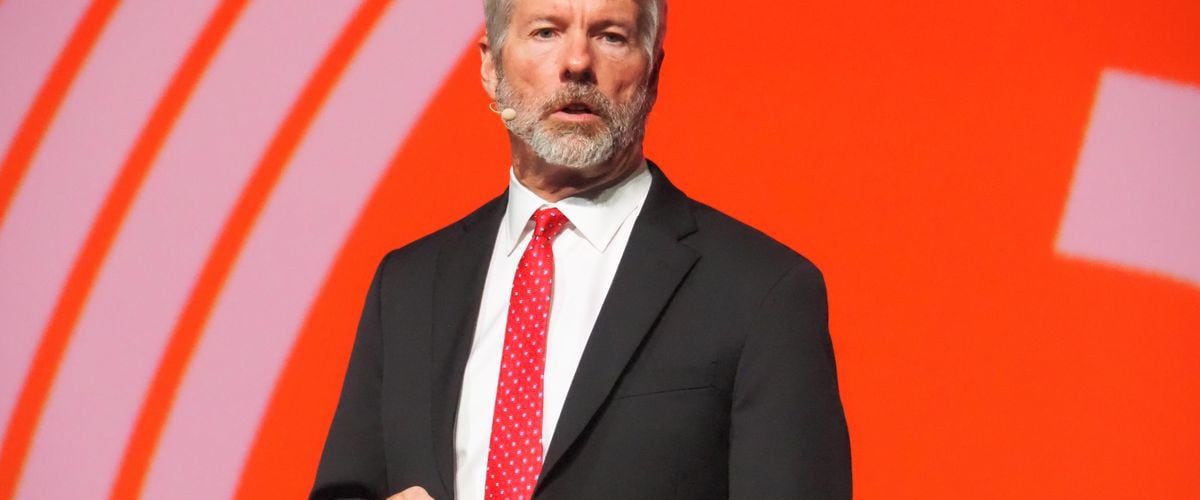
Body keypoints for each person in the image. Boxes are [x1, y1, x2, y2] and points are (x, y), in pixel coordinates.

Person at [310, 0, 851, 498]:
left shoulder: (762, 293)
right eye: (546, 32)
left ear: (653, 72)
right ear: (491, 67)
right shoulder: (407, 286)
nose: (576, 62)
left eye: (611, 36)